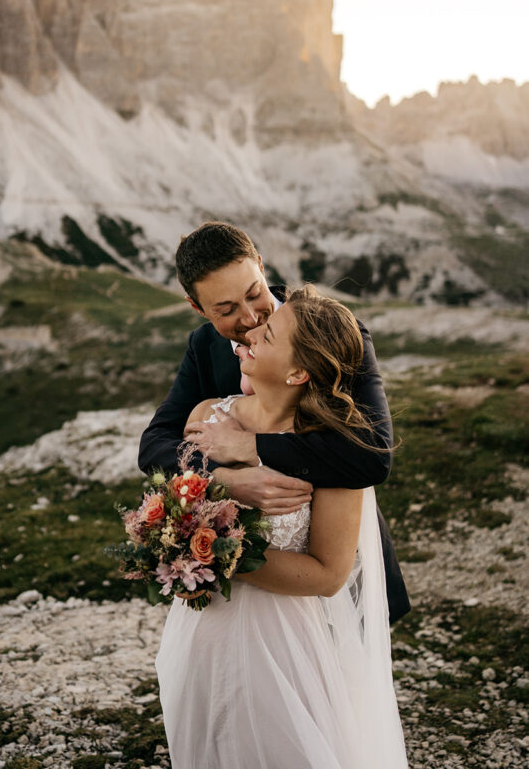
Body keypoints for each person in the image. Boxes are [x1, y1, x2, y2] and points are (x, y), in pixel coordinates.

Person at [155, 286, 409, 769]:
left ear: (297, 373)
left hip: (283, 644)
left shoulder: (332, 453)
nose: (249, 334)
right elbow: (177, 495)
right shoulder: (208, 414)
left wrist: (220, 555)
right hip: (200, 630)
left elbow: (329, 575)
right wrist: (175, 532)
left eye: (267, 334)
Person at [138, 221, 409, 623]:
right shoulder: (204, 347)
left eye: (254, 293)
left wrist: (250, 447)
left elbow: (372, 456)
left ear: (262, 267)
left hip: (333, 567)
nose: (250, 318)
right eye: (226, 309)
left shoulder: (331, 333)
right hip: (243, 599)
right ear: (198, 308)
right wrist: (221, 479)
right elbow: (155, 445)